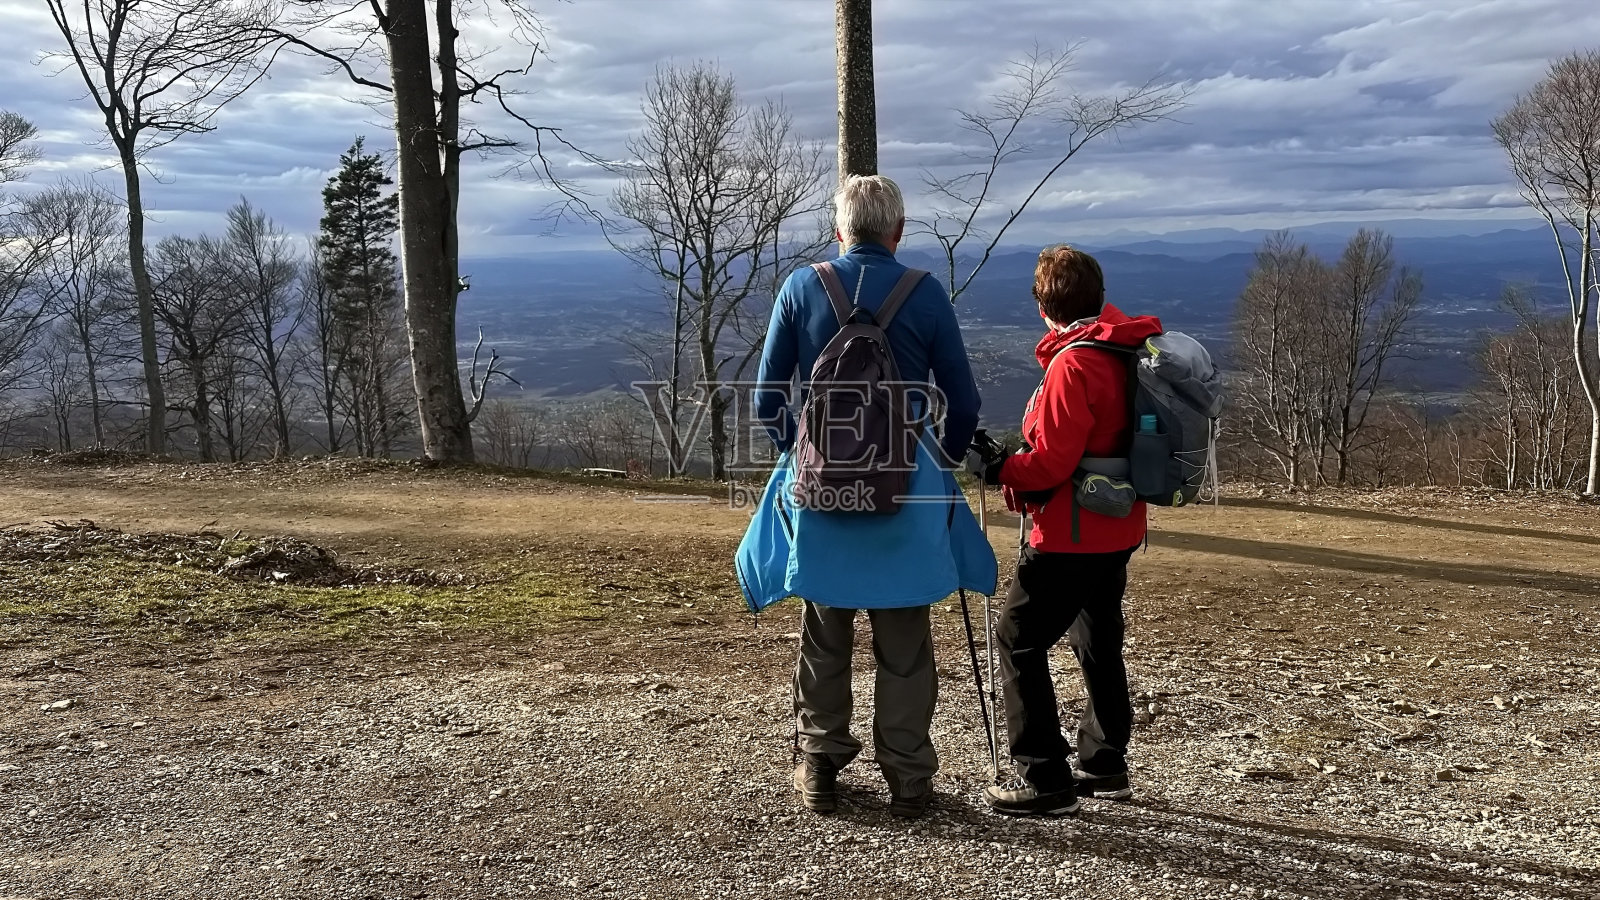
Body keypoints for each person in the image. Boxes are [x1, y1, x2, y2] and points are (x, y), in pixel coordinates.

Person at [737, 174, 992, 819]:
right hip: (908, 490)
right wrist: (939, 462)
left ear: (839, 230)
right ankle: (907, 778)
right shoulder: (925, 293)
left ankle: (820, 766)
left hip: (822, 492)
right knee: (905, 643)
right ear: (898, 232)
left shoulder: (802, 288)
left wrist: (803, 453)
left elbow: (767, 398)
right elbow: (963, 403)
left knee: (825, 632)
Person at [967, 244, 1162, 817]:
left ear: (1042, 306)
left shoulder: (1073, 365)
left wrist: (1000, 468)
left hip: (1071, 532)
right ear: (1099, 296)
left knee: (1018, 637)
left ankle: (1044, 777)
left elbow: (1051, 465)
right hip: (1120, 524)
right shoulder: (1126, 349)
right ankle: (1105, 763)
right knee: (1097, 636)